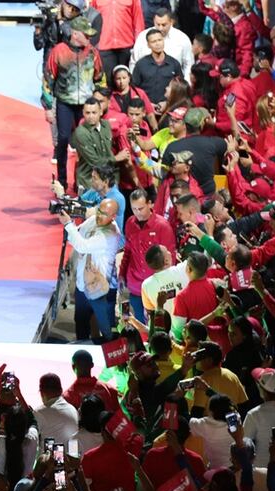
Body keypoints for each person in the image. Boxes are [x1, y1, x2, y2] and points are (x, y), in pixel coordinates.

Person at [45, 17, 103, 189]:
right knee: (63, 139)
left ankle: (83, 181)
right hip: (64, 102)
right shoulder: (59, 51)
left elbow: (100, 79)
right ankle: (62, 180)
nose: (89, 37)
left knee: (86, 142)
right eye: (86, 34)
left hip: (87, 106)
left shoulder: (92, 52)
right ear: (75, 34)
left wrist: (100, 102)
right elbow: (48, 79)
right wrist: (48, 107)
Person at [60, 198, 122, 342]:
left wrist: (68, 224)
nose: (100, 216)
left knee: (107, 332)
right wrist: (72, 229)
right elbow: (77, 236)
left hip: (100, 290)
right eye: (99, 211)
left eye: (105, 214)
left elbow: (81, 245)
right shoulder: (94, 219)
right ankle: (83, 360)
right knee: (81, 326)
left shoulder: (110, 234)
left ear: (113, 217)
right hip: (83, 287)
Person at [120, 189, 173, 323]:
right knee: (138, 324)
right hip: (135, 286)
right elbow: (127, 251)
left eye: (141, 208)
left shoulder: (163, 227)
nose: (138, 213)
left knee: (159, 325)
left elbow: (169, 260)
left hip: (156, 288)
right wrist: (121, 274)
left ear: (150, 204)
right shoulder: (130, 223)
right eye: (134, 209)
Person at [130, 29, 183, 108]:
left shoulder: (174, 64)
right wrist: (148, 105)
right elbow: (134, 89)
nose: (158, 43)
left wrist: (167, 103)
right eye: (153, 41)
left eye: (160, 40)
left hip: (169, 109)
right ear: (148, 45)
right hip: (146, 109)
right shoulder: (141, 64)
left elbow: (180, 88)